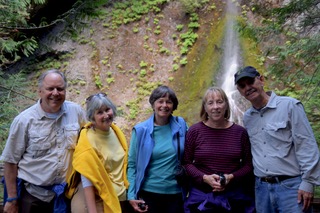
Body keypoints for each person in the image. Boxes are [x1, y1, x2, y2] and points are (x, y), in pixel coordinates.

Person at [234, 65, 320, 213]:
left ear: (261, 80)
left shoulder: (289, 106)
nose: (247, 87)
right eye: (242, 86)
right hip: (261, 189)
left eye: (250, 82)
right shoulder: (248, 117)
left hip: (291, 187)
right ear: (240, 92)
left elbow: (306, 145)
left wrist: (308, 182)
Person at [1, 69, 87, 213]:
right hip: (33, 196)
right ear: (40, 91)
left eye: (60, 89)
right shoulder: (24, 121)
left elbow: (88, 143)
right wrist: (12, 198)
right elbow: (10, 161)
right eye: (50, 89)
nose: (55, 93)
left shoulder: (76, 112)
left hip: (67, 194)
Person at [182, 87, 255, 213]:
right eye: (210, 103)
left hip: (234, 199)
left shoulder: (240, 132)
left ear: (226, 104)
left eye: (219, 102)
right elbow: (186, 163)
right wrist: (204, 178)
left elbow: (249, 165)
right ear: (205, 107)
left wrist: (231, 177)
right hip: (201, 199)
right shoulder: (194, 131)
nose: (215, 107)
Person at [127, 85, 188, 213]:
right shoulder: (140, 130)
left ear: (173, 106)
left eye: (169, 102)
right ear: (153, 104)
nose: (164, 105)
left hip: (175, 193)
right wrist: (131, 195)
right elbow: (132, 165)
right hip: (149, 194)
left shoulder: (181, 125)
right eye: (160, 101)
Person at [66, 92, 130, 213]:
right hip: (100, 200)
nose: (106, 115)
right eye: (100, 112)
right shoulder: (87, 141)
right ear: (92, 117)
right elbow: (87, 179)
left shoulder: (116, 132)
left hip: (120, 197)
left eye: (107, 110)